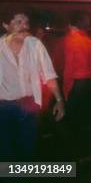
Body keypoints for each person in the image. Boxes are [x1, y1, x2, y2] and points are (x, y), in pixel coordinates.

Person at [0, 12, 65, 161]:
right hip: (3, 107)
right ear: (6, 25)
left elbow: (48, 74)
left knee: (28, 149)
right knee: (6, 151)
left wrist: (59, 101)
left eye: (26, 22)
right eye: (19, 22)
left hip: (30, 104)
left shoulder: (34, 44)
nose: (24, 26)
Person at [62, 11, 91, 155]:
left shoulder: (70, 40)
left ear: (70, 24)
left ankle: (74, 152)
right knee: (88, 118)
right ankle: (90, 150)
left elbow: (68, 69)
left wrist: (65, 92)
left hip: (77, 83)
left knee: (73, 120)